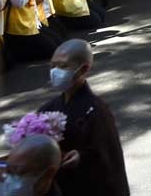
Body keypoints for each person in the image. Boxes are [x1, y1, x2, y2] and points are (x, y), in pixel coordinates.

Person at [39, 39, 130, 196]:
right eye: (53, 66)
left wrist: (81, 156)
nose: (55, 71)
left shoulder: (96, 110)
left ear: (84, 69)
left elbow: (106, 154)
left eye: (63, 66)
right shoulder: (48, 108)